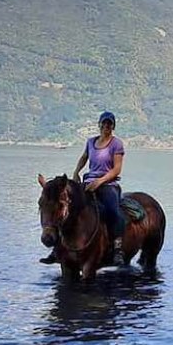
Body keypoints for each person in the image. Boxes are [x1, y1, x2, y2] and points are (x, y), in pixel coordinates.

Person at [39, 111, 127, 266]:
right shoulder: (91, 142)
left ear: (113, 126)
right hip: (88, 183)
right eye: (104, 123)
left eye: (110, 124)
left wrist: (100, 181)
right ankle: (57, 248)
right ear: (99, 124)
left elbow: (117, 169)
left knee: (113, 211)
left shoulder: (116, 144)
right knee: (67, 210)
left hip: (108, 184)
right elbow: (84, 157)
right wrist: (76, 172)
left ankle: (118, 249)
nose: (106, 126)